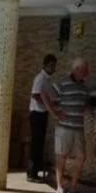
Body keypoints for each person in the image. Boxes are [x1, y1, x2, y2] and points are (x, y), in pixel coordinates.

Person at [51, 58, 90, 193]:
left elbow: (86, 103)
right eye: (85, 69)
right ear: (78, 69)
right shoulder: (62, 83)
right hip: (64, 128)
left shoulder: (84, 87)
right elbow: (49, 97)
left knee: (81, 157)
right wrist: (55, 112)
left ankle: (73, 187)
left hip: (78, 128)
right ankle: (59, 187)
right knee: (61, 156)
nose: (87, 72)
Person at [28, 54, 60, 183]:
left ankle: (36, 170)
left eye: (54, 65)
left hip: (42, 113)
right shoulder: (40, 78)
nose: (53, 68)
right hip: (37, 114)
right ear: (44, 65)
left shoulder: (48, 80)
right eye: (51, 65)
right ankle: (32, 173)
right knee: (36, 143)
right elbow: (35, 95)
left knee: (40, 143)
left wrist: (52, 103)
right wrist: (47, 104)